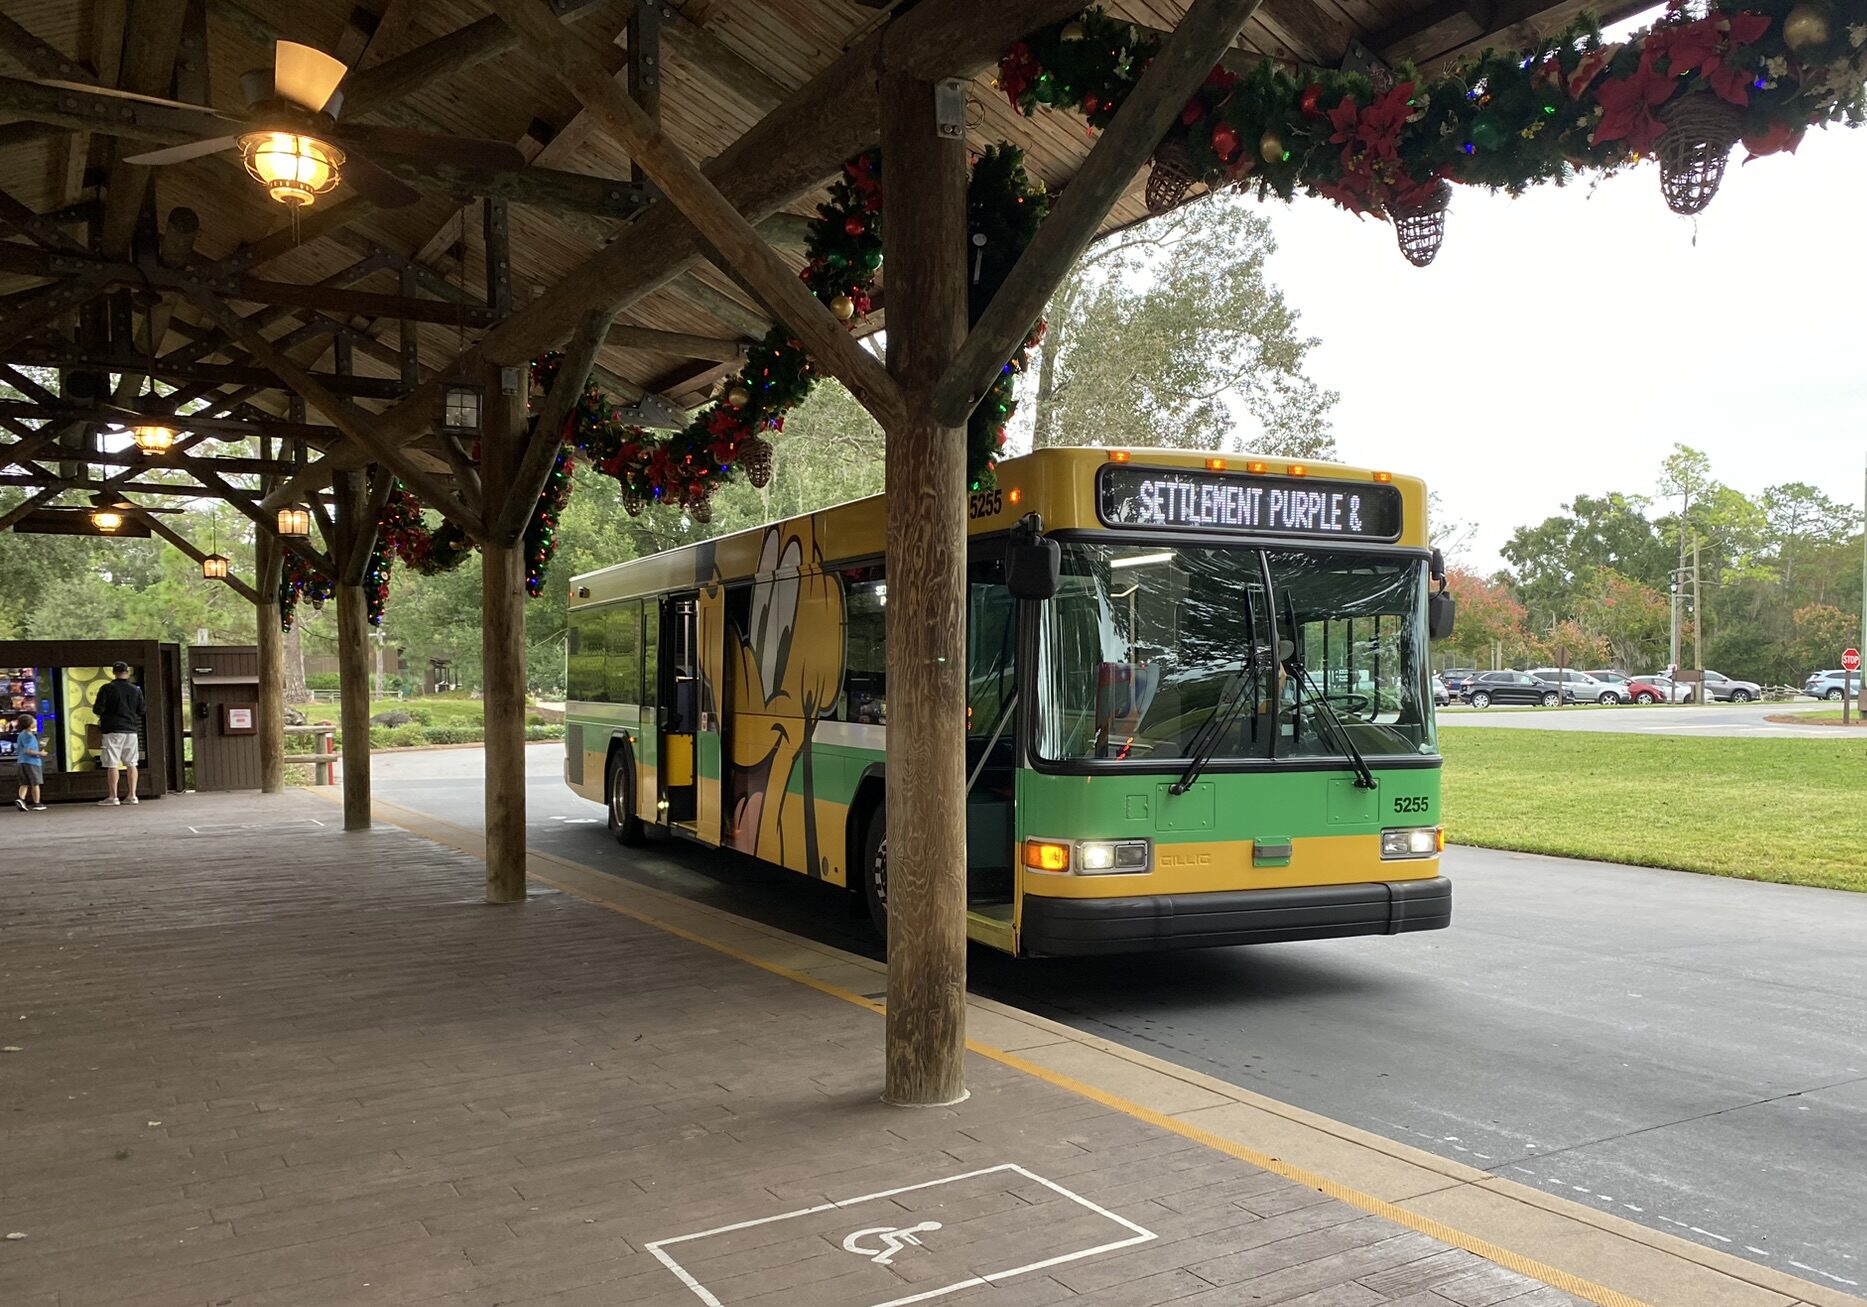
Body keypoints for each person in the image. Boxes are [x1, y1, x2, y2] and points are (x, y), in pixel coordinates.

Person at [95, 662, 145, 806]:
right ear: (127, 672)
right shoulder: (136, 690)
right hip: (131, 729)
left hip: (112, 730)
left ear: (114, 672)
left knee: (112, 763)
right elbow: (141, 710)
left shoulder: (107, 689)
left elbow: (98, 709)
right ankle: (133, 795)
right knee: (132, 763)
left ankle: (113, 796)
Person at [14, 715, 46, 811]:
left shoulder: (21, 735)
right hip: (32, 763)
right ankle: (37, 803)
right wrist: (40, 753)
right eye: (34, 721)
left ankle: (21, 799)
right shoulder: (30, 736)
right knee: (35, 783)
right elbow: (28, 750)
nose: (36, 722)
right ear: (29, 725)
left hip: (21, 762)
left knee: (24, 783)